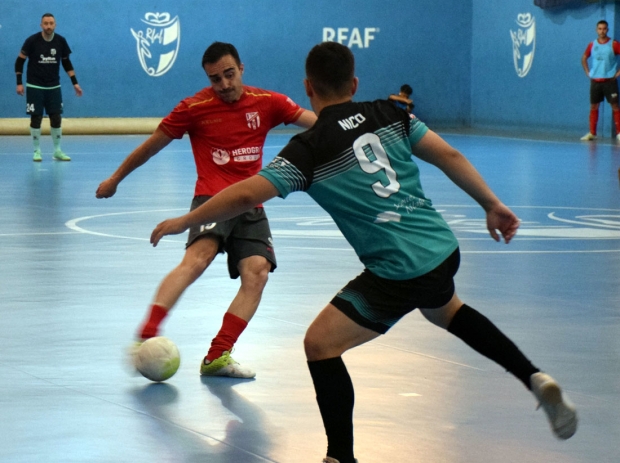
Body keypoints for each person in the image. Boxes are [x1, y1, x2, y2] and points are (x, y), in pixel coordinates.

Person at [150, 42, 578, 463]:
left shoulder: (308, 149)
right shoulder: (391, 112)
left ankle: (340, 458)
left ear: (308, 88)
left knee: (320, 344)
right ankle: (534, 377)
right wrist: (491, 203)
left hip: (397, 269)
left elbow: (244, 195)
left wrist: (186, 221)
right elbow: (448, 154)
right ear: (354, 82)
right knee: (445, 308)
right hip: (440, 248)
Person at [96, 42, 316, 378]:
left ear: (241, 68)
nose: (224, 84)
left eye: (229, 75)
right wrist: (115, 178)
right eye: (216, 79)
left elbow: (316, 123)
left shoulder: (267, 102)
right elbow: (151, 147)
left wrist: (357, 128)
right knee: (197, 260)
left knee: (257, 273)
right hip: (211, 200)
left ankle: (217, 356)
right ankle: (146, 336)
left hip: (251, 202)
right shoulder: (194, 107)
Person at [15, 13, 83, 162]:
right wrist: (19, 82)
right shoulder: (32, 41)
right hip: (35, 85)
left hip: (53, 86)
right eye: (45, 23)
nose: (48, 26)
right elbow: (19, 61)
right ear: (41, 25)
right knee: (36, 117)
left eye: (51, 23)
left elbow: (66, 63)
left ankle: (57, 151)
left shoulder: (60, 41)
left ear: (55, 25)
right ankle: (36, 151)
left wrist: (75, 83)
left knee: (56, 117)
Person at [580, 19, 620, 141]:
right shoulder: (592, 45)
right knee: (593, 106)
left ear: (607, 30)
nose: (602, 31)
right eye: (600, 29)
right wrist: (588, 72)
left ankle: (619, 133)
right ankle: (592, 133)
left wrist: (618, 73)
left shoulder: (614, 44)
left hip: (609, 81)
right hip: (595, 81)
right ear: (596, 30)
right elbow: (584, 58)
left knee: (615, 106)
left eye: (604, 29)